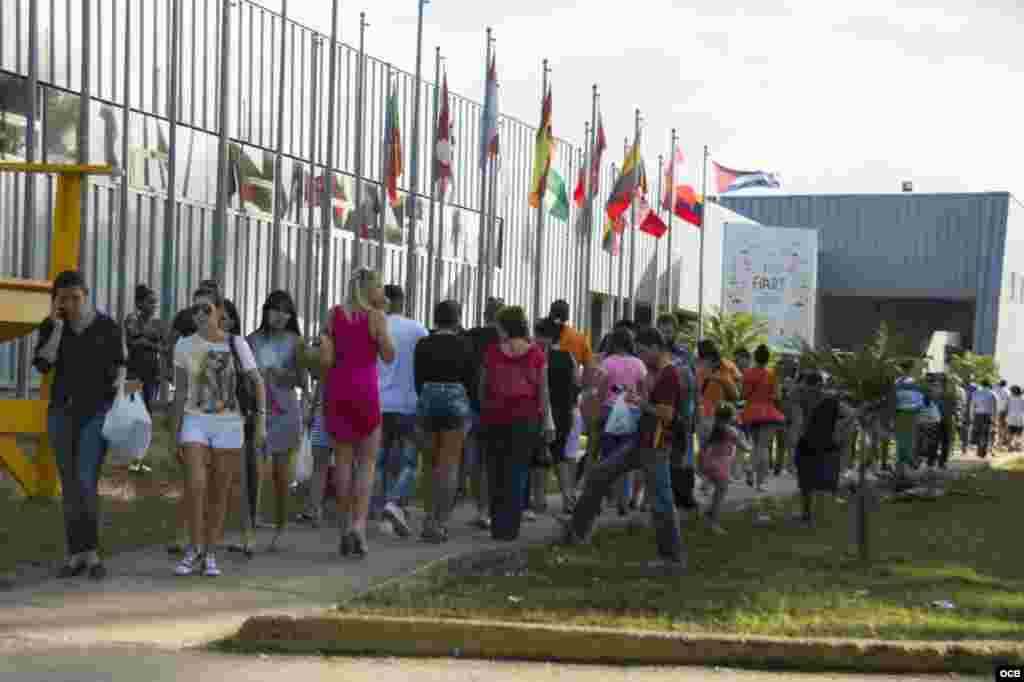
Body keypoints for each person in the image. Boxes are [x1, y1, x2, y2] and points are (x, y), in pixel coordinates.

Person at [561, 327, 686, 570]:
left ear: (654, 347)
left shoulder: (670, 374)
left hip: (655, 445)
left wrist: (641, 402)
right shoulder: (657, 371)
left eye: (642, 351)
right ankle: (577, 532)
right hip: (641, 440)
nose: (640, 356)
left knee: (662, 500)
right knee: (599, 474)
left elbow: (668, 414)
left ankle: (672, 558)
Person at [33, 270, 125, 581]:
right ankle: (75, 554)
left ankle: (93, 554)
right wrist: (57, 329)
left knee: (86, 479)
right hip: (61, 413)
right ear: (56, 301)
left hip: (97, 412)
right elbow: (44, 364)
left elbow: (121, 368)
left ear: (86, 296)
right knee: (70, 485)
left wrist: (119, 399)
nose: (71, 304)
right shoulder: (52, 326)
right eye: (64, 299)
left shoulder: (107, 327)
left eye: (76, 298)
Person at [172, 287, 266, 577]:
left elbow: (258, 384)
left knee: (219, 490)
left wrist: (260, 422)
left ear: (220, 311)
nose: (199, 315)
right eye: (195, 309)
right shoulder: (184, 345)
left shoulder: (237, 344)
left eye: (206, 309)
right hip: (194, 420)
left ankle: (210, 553)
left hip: (229, 423)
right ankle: (194, 549)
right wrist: (176, 431)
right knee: (196, 484)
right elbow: (181, 391)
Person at [320, 268, 395, 558]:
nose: (383, 293)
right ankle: (359, 528)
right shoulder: (376, 317)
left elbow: (326, 354)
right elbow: (389, 355)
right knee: (367, 464)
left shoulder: (334, 313)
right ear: (369, 289)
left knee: (342, 464)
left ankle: (343, 529)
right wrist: (382, 323)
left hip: (338, 390)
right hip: (365, 392)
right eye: (379, 287)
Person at [478, 306, 554, 541]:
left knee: (495, 471)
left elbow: (483, 386)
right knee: (518, 472)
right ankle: (511, 528)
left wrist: (485, 408)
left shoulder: (491, 352)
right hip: (525, 419)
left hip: (494, 417)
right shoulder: (537, 355)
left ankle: (497, 525)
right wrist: (546, 421)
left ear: (506, 327)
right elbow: (543, 391)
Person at [246, 290, 307, 550]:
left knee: (282, 476)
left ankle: (281, 527)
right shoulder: (251, 340)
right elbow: (242, 377)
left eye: (286, 311)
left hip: (286, 413)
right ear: (265, 311)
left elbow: (302, 380)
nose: (280, 315)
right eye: (275, 309)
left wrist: (282, 374)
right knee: (253, 472)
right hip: (258, 412)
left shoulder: (296, 342)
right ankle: (250, 527)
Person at [414, 300, 474, 542]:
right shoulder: (465, 345)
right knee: (449, 465)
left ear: (435, 318)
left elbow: (417, 378)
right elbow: (471, 379)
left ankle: (428, 516)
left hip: (428, 402)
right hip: (456, 404)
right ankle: (440, 522)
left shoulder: (423, 344)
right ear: (457, 319)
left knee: (429, 462)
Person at [371, 285, 428, 537]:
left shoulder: (374, 328)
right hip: (408, 404)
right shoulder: (417, 330)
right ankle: (393, 504)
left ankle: (380, 509)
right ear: (403, 301)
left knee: (379, 461)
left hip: (378, 403)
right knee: (408, 462)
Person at [460, 296, 504, 529]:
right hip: (500, 407)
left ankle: (481, 510)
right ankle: (495, 509)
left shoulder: (470, 336)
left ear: (485, 314)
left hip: (472, 405)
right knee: (496, 460)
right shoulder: (507, 341)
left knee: (475, 460)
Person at [793, 374, 856, 526]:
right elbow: (851, 414)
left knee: (810, 484)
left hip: (812, 445)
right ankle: (811, 516)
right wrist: (839, 428)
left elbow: (798, 423)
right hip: (820, 445)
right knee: (814, 484)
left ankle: (810, 516)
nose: (815, 390)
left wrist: (839, 427)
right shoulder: (828, 400)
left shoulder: (804, 398)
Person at [598, 326, 648, 516]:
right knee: (626, 459)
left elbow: (602, 390)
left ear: (613, 343)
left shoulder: (607, 362)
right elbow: (644, 390)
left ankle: (604, 500)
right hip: (633, 413)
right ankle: (624, 502)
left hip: (610, 412)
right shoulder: (639, 364)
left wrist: (601, 407)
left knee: (609, 458)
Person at [534, 317, 581, 515]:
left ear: (543, 337)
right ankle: (568, 499)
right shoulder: (568, 356)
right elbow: (575, 384)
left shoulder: (538, 357)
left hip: (544, 411)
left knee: (538, 457)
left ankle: (539, 501)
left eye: (537, 335)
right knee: (559, 455)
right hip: (565, 412)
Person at [656, 314, 698, 513]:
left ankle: (685, 495)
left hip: (685, 411)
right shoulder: (654, 353)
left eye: (669, 331)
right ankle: (666, 496)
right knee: (664, 452)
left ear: (675, 332)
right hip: (663, 409)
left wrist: (696, 410)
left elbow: (694, 382)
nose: (665, 334)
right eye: (662, 330)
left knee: (685, 454)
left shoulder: (685, 353)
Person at [123, 284, 166, 473]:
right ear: (139, 303)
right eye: (150, 301)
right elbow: (133, 341)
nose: (154, 304)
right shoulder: (130, 319)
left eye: (155, 301)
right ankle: (133, 458)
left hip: (152, 374)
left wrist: (146, 341)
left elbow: (162, 345)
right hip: (133, 374)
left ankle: (139, 459)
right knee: (133, 415)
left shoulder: (158, 323)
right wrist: (153, 342)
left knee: (147, 416)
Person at [700, 403, 752, 535]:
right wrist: (750, 446)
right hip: (720, 465)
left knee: (717, 492)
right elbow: (744, 447)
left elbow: (704, 447)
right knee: (719, 496)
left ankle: (708, 513)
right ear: (730, 417)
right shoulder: (730, 431)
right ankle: (714, 524)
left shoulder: (713, 428)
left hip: (709, 462)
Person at [740, 345, 786, 492]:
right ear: (767, 359)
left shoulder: (747, 374)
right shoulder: (771, 374)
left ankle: (750, 468)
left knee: (756, 445)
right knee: (763, 448)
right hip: (768, 412)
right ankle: (760, 482)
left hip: (751, 413)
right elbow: (777, 396)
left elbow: (744, 394)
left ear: (755, 357)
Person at [970, 380, 997, 459]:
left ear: (981, 384)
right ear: (989, 385)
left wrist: (972, 416)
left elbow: (972, 406)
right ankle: (983, 452)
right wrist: (994, 419)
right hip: (987, 415)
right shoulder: (992, 394)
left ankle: (979, 451)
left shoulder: (975, 393)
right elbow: (994, 408)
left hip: (978, 415)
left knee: (978, 433)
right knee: (985, 433)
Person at [1006, 385, 1024, 452]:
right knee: (1019, 434)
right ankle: (1018, 447)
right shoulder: (1022, 398)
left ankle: (1010, 447)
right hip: (1020, 418)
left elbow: (1006, 407)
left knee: (1011, 433)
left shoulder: (1009, 398)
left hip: (1011, 417)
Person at [995, 380, 1010, 449]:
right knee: (1004, 427)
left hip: (996, 410)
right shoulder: (1007, 391)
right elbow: (1009, 403)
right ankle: (1002, 442)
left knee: (997, 427)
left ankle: (998, 442)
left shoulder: (996, 389)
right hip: (1004, 411)